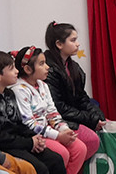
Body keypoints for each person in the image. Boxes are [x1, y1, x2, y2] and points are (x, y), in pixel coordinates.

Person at [11, 47, 93, 174]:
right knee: (62, 154)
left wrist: (64, 130)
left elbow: (52, 113)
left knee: (80, 149)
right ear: (28, 69)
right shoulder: (19, 90)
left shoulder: (43, 85)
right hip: (35, 135)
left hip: (49, 130)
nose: (47, 67)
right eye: (41, 64)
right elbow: (29, 123)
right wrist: (58, 136)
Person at [44, 21, 107, 150]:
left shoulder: (73, 67)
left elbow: (81, 97)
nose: (78, 44)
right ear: (59, 44)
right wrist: (90, 119)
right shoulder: (49, 70)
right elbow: (58, 107)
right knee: (92, 139)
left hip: (71, 114)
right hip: (56, 119)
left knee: (103, 125)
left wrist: (96, 115)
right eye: (73, 40)